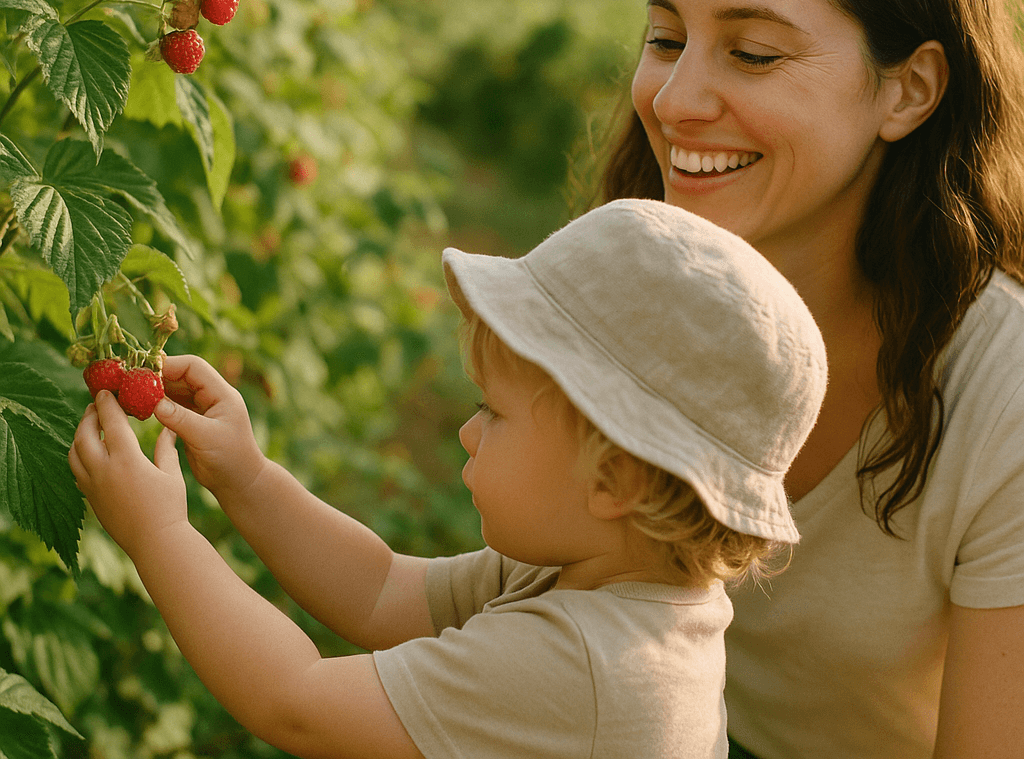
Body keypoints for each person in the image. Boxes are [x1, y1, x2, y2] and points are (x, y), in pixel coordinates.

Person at [69, 198, 827, 759]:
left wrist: (159, 533)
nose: (467, 430)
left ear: (614, 477)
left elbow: (293, 702)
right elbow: (380, 590)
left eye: (491, 411)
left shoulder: (588, 668)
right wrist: (248, 478)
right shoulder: (605, 579)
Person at [600, 0, 1024, 759]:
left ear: (907, 90)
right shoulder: (624, 292)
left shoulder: (1008, 399)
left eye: (752, 53)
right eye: (665, 38)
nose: (674, 100)